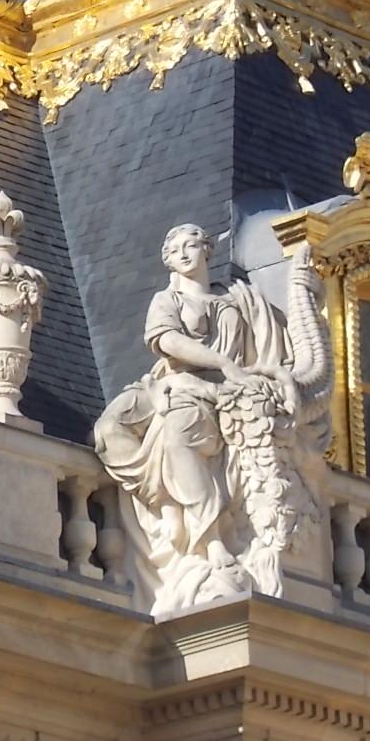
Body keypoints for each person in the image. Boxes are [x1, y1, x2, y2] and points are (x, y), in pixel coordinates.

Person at [94, 223, 292, 612]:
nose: (184, 254)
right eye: (176, 250)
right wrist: (221, 361)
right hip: (169, 382)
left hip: (213, 392)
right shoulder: (166, 300)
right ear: (168, 260)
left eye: (192, 245)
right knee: (108, 429)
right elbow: (167, 341)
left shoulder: (235, 302)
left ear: (207, 251)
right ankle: (164, 501)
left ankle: (210, 538)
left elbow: (263, 355)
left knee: (177, 435)